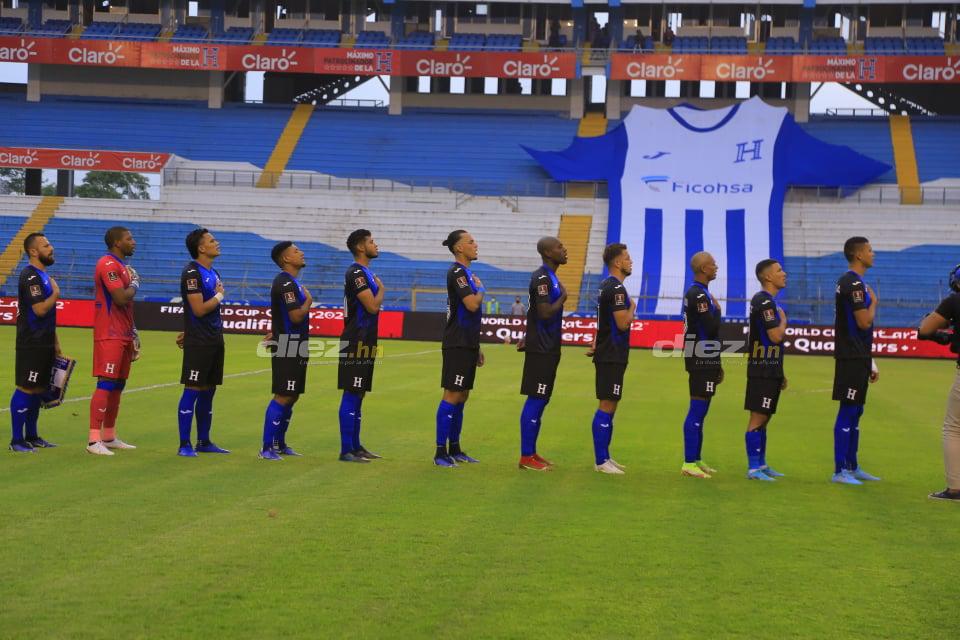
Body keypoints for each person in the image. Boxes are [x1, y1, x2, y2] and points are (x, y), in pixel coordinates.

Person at [175, 228, 230, 457]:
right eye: (211, 240)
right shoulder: (192, 273)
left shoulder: (213, 272)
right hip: (200, 341)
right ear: (201, 248)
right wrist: (219, 297)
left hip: (214, 338)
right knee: (193, 388)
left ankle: (204, 441)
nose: (217, 243)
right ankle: (184, 444)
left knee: (209, 390)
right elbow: (198, 309)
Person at [831, 236, 881, 485]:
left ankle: (852, 465)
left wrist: (870, 361)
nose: (873, 254)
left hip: (859, 355)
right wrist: (875, 305)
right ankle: (840, 470)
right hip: (851, 355)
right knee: (848, 409)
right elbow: (864, 322)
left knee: (857, 410)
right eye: (870, 250)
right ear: (859, 254)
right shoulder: (853, 283)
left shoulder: (853, 282)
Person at [434, 229, 484, 467]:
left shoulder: (466, 273)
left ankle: (455, 448)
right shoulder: (457, 273)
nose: (476, 244)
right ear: (459, 248)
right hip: (456, 341)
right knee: (452, 394)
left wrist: (477, 346)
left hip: (468, 342)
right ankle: (439, 452)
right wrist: (481, 289)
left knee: (462, 394)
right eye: (470, 242)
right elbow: (472, 305)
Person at [87, 226, 139, 456]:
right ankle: (93, 440)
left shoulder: (121, 267)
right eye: (129, 239)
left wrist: (134, 332)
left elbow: (126, 306)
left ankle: (108, 436)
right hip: (109, 333)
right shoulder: (107, 264)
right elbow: (119, 298)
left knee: (118, 385)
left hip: (124, 333)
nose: (134, 242)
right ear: (117, 243)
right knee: (106, 383)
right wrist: (135, 284)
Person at [517, 237, 568, 471]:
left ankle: (532, 452)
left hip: (548, 346)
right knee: (536, 398)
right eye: (559, 247)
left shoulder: (551, 277)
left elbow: (535, 312)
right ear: (548, 252)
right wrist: (563, 298)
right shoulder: (542, 277)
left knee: (543, 398)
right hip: (542, 348)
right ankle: (526, 456)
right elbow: (545, 312)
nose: (564, 250)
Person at [259, 241, 311, 460]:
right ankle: (266, 447)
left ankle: (279, 444)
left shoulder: (291, 282)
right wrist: (309, 301)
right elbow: (296, 316)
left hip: (296, 344)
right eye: (296, 251)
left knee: (293, 395)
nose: (301, 252)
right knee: (283, 394)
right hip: (288, 345)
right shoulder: (286, 283)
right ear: (286, 259)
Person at [588, 243, 635, 474]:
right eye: (627, 257)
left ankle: (605, 457)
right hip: (612, 353)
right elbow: (622, 322)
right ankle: (601, 461)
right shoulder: (616, 289)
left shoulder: (606, 285)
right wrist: (633, 307)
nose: (630, 261)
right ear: (617, 262)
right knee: (607, 403)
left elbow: (604, 321)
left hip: (609, 351)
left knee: (611, 403)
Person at [337, 229, 385, 463]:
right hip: (356, 338)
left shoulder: (365, 272)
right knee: (352, 391)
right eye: (371, 242)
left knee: (360, 392)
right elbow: (372, 307)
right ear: (360, 247)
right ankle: (347, 449)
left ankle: (356, 447)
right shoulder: (356, 272)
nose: (375, 245)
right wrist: (382, 291)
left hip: (366, 338)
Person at [9, 232, 60, 452]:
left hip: (45, 341)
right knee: (26, 388)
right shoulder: (31, 276)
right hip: (32, 342)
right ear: (33, 251)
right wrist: (56, 293)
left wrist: (56, 342)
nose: (51, 248)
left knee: (38, 389)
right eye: (46, 245)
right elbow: (40, 310)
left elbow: (49, 316)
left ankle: (32, 435)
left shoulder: (43, 275)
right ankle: (16, 441)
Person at [917, 263, 960, 501]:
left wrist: (943, 332)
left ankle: (955, 488)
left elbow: (925, 329)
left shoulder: (955, 300)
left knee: (954, 428)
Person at [743, 259, 788, 481]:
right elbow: (775, 336)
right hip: (762, 369)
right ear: (768, 277)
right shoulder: (764, 301)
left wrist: (780, 372)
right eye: (779, 270)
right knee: (758, 418)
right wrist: (784, 322)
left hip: (769, 368)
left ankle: (761, 464)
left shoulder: (767, 302)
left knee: (765, 417)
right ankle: (753, 468)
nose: (784, 273)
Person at [679, 251, 722, 479]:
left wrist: (718, 364)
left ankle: (695, 458)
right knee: (697, 409)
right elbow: (711, 326)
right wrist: (719, 310)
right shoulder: (698, 294)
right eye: (713, 264)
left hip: (705, 356)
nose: (716, 267)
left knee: (702, 410)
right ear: (704, 268)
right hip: (700, 357)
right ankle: (688, 462)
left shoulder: (700, 292)